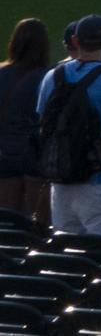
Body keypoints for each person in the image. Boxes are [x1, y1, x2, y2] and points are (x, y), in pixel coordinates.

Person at [34, 15, 101, 244]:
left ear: (75, 39)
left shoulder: (52, 76)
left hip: (62, 183)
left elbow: (43, 123)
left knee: (67, 260)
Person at [0, 19, 50, 227]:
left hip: (4, 154)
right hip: (35, 157)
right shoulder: (48, 77)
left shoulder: (2, 73)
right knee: (38, 226)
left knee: (7, 224)